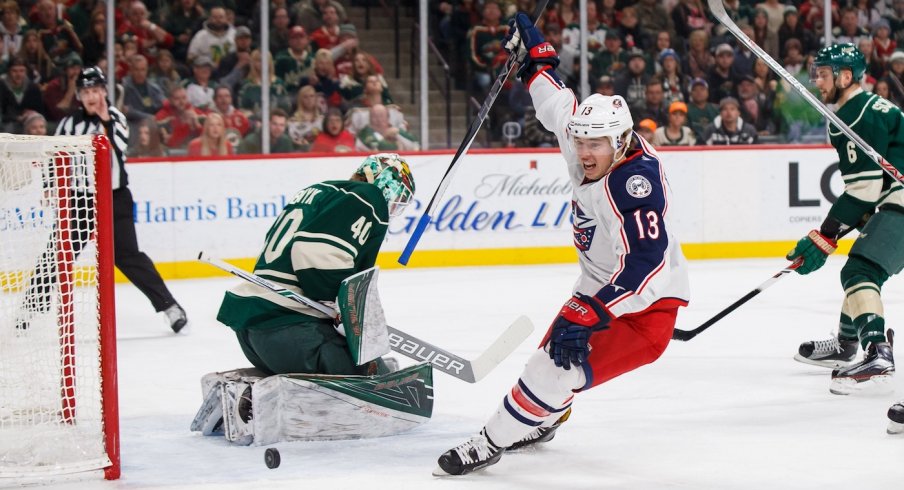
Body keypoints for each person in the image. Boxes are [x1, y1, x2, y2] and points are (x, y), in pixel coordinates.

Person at [435, 13, 689, 476]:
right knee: (551, 358)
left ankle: (488, 443)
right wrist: (534, 57)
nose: (584, 153)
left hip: (644, 311)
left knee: (552, 369)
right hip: (598, 287)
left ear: (622, 140)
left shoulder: (636, 183)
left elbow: (646, 267)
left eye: (596, 145)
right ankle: (544, 418)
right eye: (581, 141)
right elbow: (557, 106)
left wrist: (593, 311)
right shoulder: (592, 143)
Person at [17, 66, 187, 333]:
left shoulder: (116, 118)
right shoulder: (69, 123)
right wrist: (51, 186)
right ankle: (29, 309)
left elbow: (117, 147)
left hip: (115, 198)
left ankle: (170, 307)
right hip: (81, 201)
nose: (91, 96)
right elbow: (55, 155)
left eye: (96, 90)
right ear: (79, 96)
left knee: (128, 256)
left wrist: (104, 121)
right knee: (57, 253)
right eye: (86, 92)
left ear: (105, 92)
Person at [216, 153, 415, 376]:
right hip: (293, 331)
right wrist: (345, 305)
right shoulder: (368, 196)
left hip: (254, 333)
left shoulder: (320, 191)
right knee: (371, 374)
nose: (393, 210)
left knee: (368, 362)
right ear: (384, 183)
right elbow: (315, 252)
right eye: (398, 200)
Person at [789, 44, 901, 395]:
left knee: (859, 272)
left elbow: (865, 190)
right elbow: (875, 190)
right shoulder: (869, 107)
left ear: (846, 76)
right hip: (896, 197)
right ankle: (845, 343)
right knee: (863, 266)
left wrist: (824, 236)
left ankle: (876, 352)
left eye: (824, 74)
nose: (817, 81)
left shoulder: (853, 116)